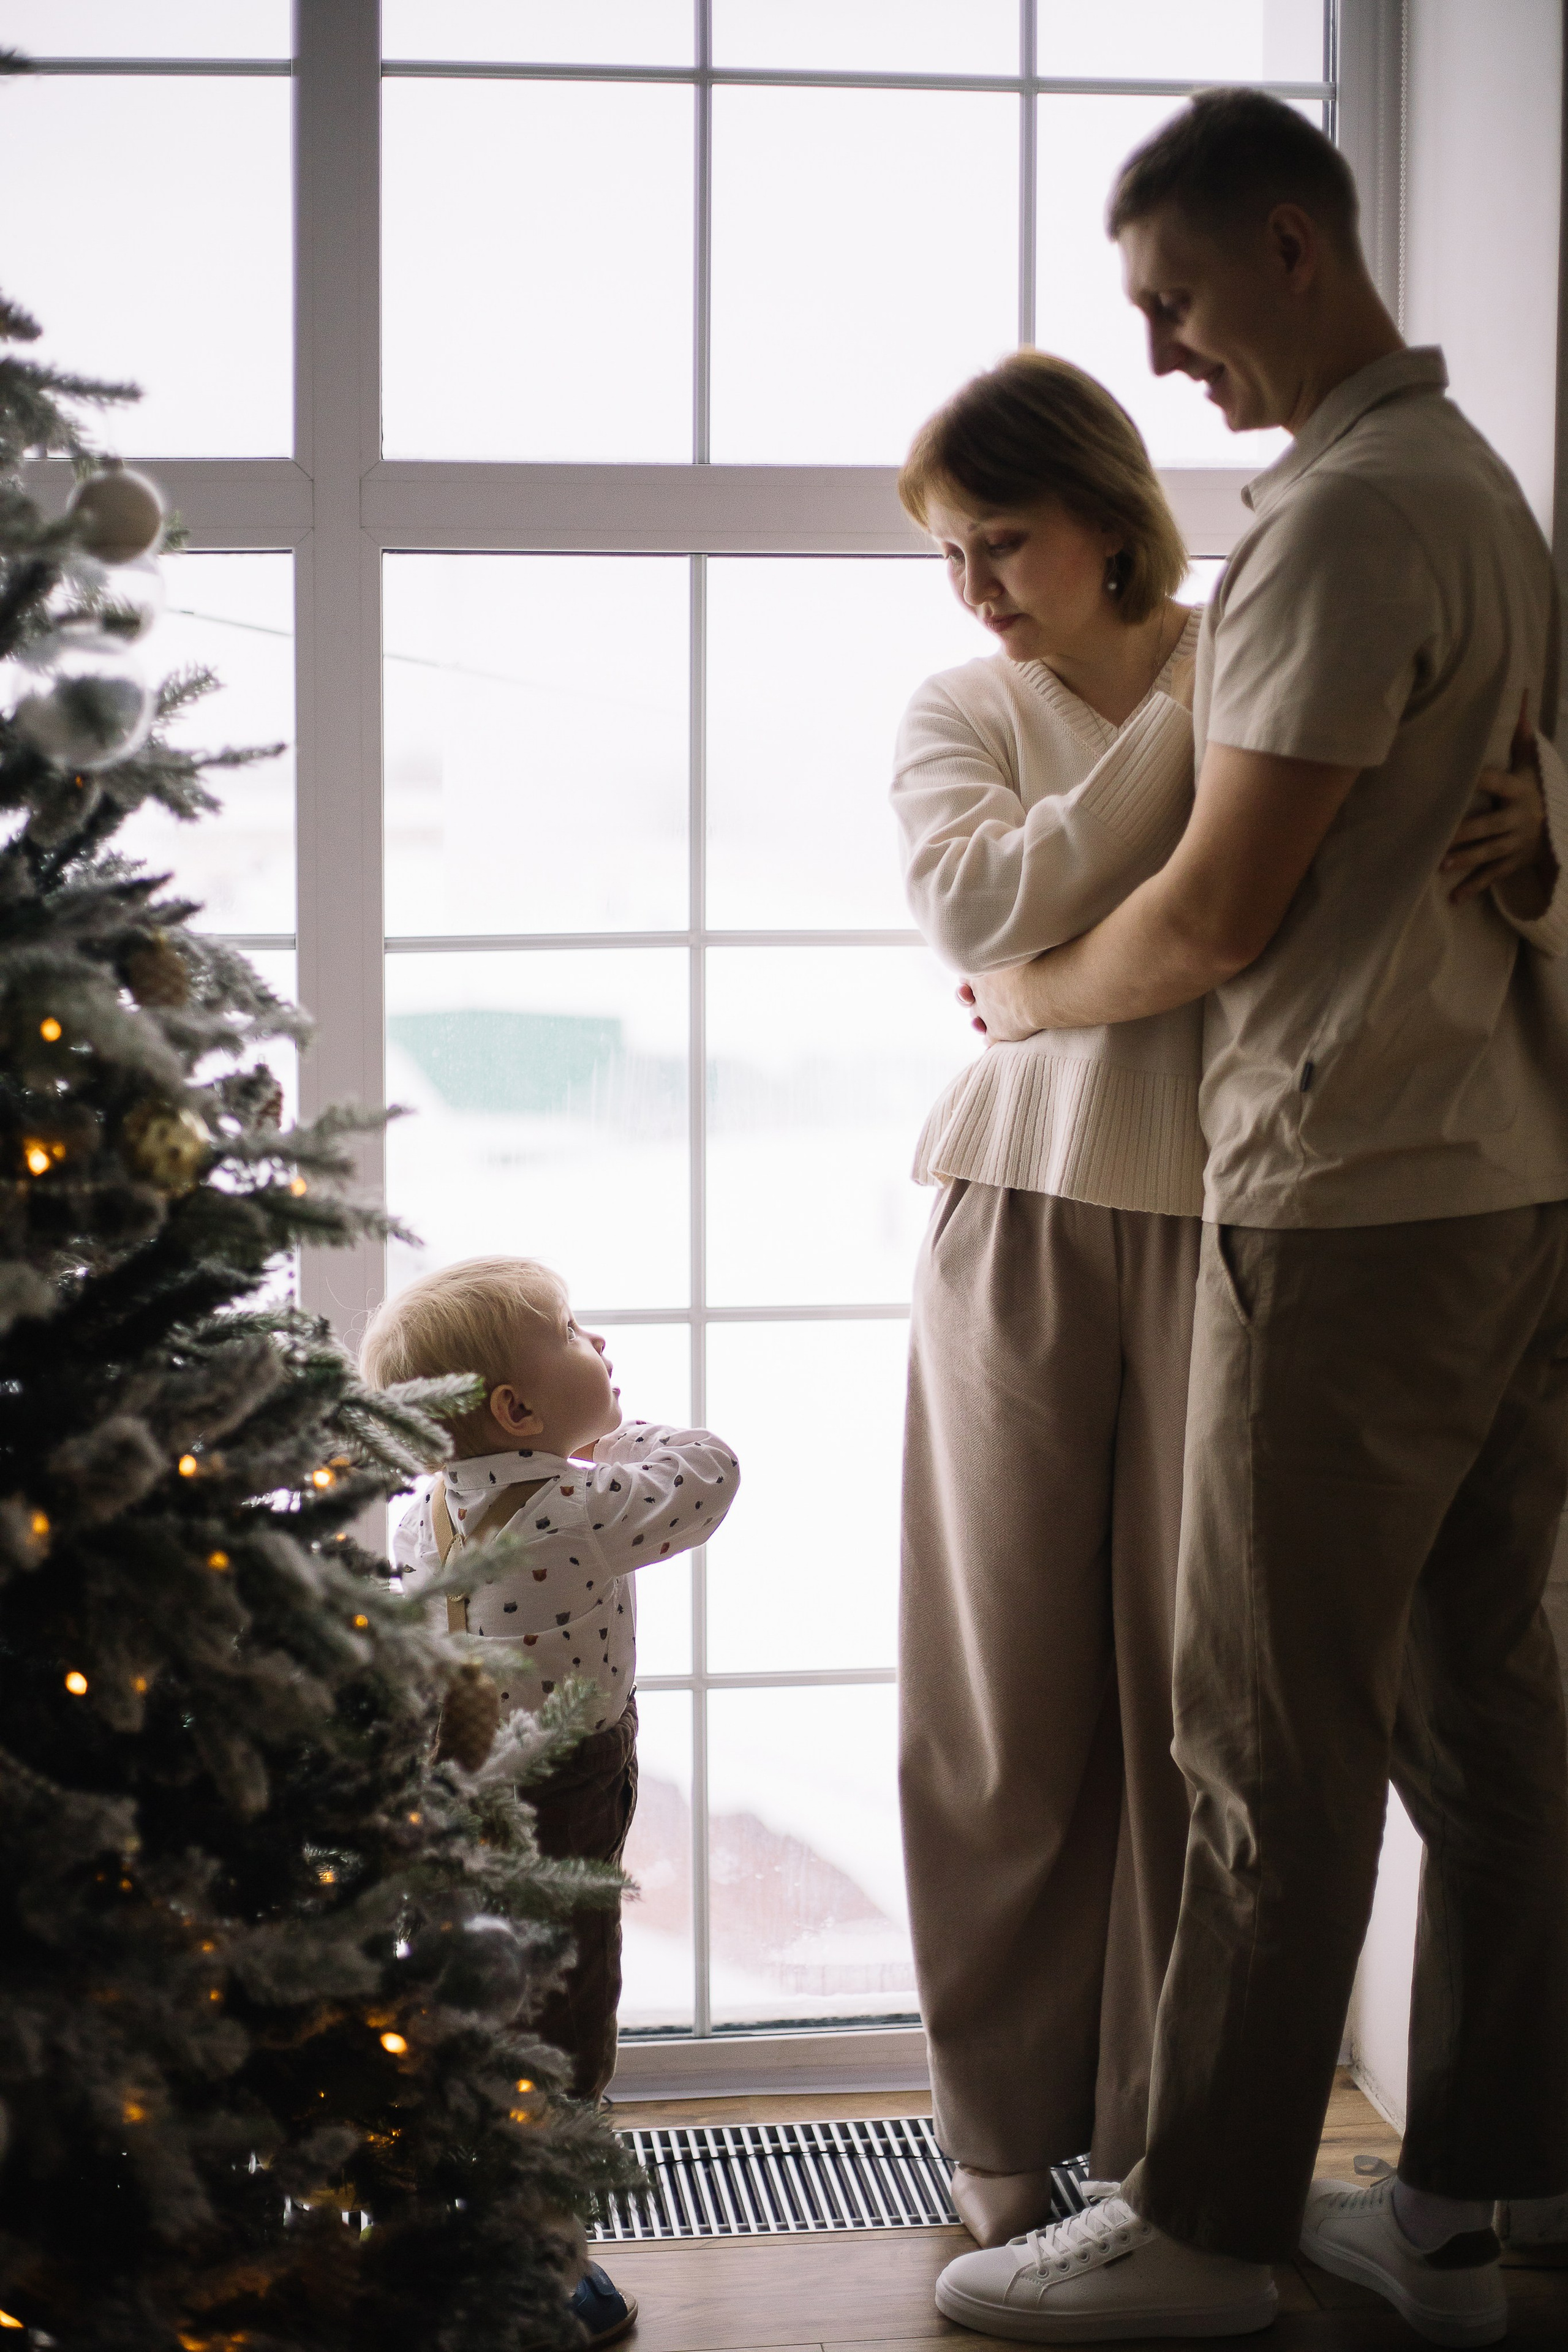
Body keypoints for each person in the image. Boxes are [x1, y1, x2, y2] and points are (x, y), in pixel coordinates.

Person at [932, 89, 1568, 2347]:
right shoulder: (1486, 498)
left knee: (1260, 1735)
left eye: (1174, 296)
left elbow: (1209, 916)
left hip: (1352, 1197)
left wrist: (1023, 998)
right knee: (1493, 1716)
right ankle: (1495, 2189)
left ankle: (1206, 2230)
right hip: (1509, 1176)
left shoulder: (1350, 518)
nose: (1167, 348)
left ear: (1293, 248)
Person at [891, 350, 1206, 2244]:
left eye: (1001, 541)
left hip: (1244, 1210)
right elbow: (975, 914)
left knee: (1202, 1715)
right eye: (952, 552)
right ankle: (1000, 2131)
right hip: (1010, 1205)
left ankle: (1180, 2143)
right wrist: (1186, 724)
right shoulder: (961, 706)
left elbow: (1251, 929)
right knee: (1002, 1701)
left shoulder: (1271, 649)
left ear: (1108, 512)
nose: (979, 588)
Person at [360, 1254, 741, 2349]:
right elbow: (708, 1475)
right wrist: (614, 1440)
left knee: (466, 2008)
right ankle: (543, 2264)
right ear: (518, 1409)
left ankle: (451, 2230)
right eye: (576, 1332)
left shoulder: (419, 1508)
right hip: (562, 1796)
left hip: (451, 1791)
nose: (602, 1345)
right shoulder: (581, 1504)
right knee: (565, 2015)